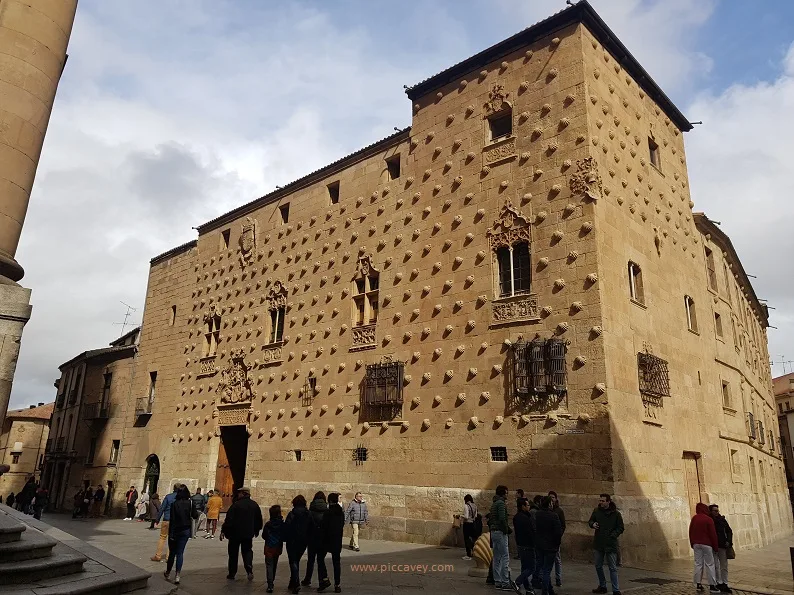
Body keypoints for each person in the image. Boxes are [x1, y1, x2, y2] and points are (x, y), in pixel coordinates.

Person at [221, 486, 263, 581]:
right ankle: (249, 570)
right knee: (247, 551)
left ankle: (232, 573)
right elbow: (258, 520)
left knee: (233, 554)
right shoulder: (254, 505)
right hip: (248, 533)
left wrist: (224, 531)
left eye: (240, 493)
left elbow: (229, 520)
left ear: (244, 494)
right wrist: (256, 530)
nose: (238, 494)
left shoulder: (236, 505)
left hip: (235, 534)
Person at [589, 493, 624, 595]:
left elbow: (621, 527)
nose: (601, 502)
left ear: (608, 501)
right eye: (600, 501)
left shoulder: (616, 514)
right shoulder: (596, 511)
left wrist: (613, 534)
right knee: (598, 565)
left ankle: (616, 589)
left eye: (603, 501)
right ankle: (602, 585)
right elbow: (591, 521)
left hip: (610, 543)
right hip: (599, 542)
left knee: (612, 567)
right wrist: (593, 524)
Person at [164, 485, 198, 585]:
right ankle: (177, 575)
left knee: (172, 553)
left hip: (176, 530)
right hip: (186, 530)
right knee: (180, 553)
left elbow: (173, 519)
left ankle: (168, 572)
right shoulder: (190, 503)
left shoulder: (175, 504)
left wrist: (171, 534)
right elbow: (195, 515)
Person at [534, 496, 563, 595]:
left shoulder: (537, 514)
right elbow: (558, 532)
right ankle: (545, 591)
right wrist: (556, 544)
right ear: (550, 504)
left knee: (543, 567)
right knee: (547, 570)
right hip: (550, 547)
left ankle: (549, 589)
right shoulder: (554, 515)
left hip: (540, 546)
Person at [318, 492, 345, 593]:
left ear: (329, 501)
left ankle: (324, 579)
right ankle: (337, 584)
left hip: (327, 540)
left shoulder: (327, 512)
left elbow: (324, 526)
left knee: (320, 559)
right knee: (336, 563)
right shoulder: (341, 512)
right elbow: (341, 525)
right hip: (337, 540)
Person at [690, 503, 719, 592]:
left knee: (698, 563)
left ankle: (698, 584)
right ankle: (712, 585)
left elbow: (690, 531)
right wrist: (715, 547)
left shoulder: (694, 518)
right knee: (710, 564)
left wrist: (692, 543)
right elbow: (713, 534)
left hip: (696, 544)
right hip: (707, 544)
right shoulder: (708, 519)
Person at [285, 494, 311, 594]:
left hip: (292, 541)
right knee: (296, 560)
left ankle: (296, 584)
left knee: (293, 561)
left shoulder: (292, 514)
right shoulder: (308, 514)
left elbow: (287, 526)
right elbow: (311, 527)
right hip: (303, 541)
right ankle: (292, 582)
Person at [302, 491, 328, 587]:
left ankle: (307, 579)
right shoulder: (327, 511)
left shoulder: (310, 511)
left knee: (311, 560)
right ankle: (323, 580)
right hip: (323, 539)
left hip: (312, 539)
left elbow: (307, 526)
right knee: (321, 560)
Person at [488, 484, 511, 591]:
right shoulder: (501, 503)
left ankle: (497, 580)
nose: (507, 495)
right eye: (506, 492)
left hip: (493, 531)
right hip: (500, 532)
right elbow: (502, 518)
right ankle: (505, 581)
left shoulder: (494, 503)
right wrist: (506, 530)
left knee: (497, 557)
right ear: (503, 493)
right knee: (505, 556)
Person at [511, 497, 536, 595]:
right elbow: (530, 533)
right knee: (531, 568)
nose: (529, 507)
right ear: (523, 506)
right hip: (528, 545)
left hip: (520, 545)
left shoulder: (517, 517)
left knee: (525, 567)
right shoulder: (526, 518)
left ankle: (528, 589)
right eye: (528, 505)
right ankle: (517, 582)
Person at [709, 504, 733, 593]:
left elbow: (729, 531)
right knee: (716, 565)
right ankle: (718, 582)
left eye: (717, 510)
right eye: (715, 511)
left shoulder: (722, 520)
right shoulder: (710, 520)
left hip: (722, 545)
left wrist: (729, 541)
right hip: (713, 546)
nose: (717, 512)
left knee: (724, 565)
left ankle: (725, 583)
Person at [152, 484, 179, 561]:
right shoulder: (180, 498)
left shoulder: (168, 496)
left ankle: (158, 556)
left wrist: (157, 520)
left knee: (162, 537)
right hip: (175, 521)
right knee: (172, 539)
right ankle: (168, 557)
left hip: (166, 519)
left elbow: (162, 508)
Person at [263, 504, 285, 593]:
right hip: (278, 546)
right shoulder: (282, 524)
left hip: (269, 546)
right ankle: (272, 581)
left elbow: (264, 535)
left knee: (269, 565)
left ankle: (270, 584)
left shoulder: (268, 524)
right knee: (274, 564)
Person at [549, 491, 566, 587]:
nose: (551, 499)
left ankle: (558, 578)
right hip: (547, 538)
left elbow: (563, 525)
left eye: (553, 497)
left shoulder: (559, 511)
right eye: (550, 497)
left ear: (556, 499)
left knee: (557, 559)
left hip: (555, 538)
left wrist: (559, 535)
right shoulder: (547, 510)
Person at [461, 494, 479, 560]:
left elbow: (466, 516)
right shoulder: (475, 506)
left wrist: (460, 516)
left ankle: (468, 554)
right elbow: (476, 516)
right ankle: (474, 552)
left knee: (467, 539)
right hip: (473, 524)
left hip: (467, 524)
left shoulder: (466, 506)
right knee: (473, 539)